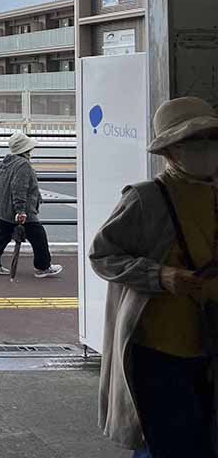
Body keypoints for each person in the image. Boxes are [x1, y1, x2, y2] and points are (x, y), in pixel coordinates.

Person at [90, 96, 218, 458]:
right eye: (193, 140)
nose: (206, 147)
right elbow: (102, 255)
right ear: (170, 151)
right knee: (169, 445)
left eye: (211, 137)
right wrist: (160, 275)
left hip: (210, 343)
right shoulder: (146, 198)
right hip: (160, 350)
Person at [0, 131, 63, 278]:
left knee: (2, 235)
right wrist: (21, 210)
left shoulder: (6, 161)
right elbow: (19, 189)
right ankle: (43, 267)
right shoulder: (23, 165)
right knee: (38, 236)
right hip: (19, 211)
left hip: (3, 207)